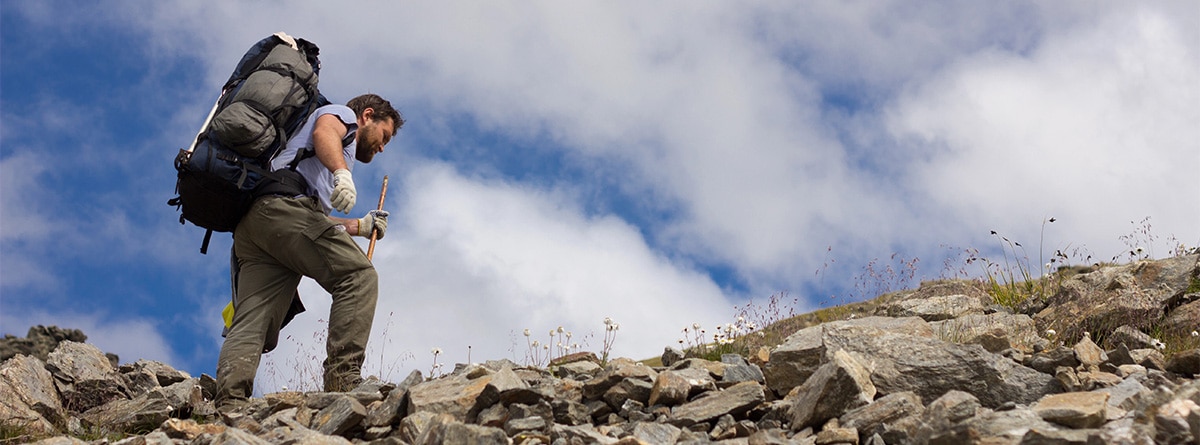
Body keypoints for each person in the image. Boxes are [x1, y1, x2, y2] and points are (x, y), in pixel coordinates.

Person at [215, 93, 404, 406]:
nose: (382, 147)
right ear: (367, 115)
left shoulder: (301, 157)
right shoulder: (339, 114)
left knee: (254, 316)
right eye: (384, 136)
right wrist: (341, 173)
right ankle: (343, 379)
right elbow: (324, 133)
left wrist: (360, 226)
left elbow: (312, 221)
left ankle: (229, 399)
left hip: (258, 225)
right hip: (284, 211)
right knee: (358, 276)